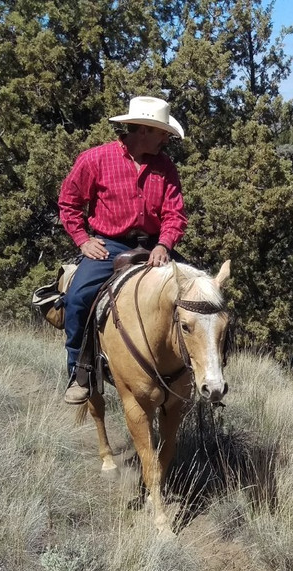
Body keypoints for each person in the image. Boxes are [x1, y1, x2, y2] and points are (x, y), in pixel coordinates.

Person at [57, 95, 188, 404]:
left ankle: (195, 373)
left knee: (198, 295)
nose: (166, 140)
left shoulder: (165, 166)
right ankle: (79, 371)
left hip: (155, 245)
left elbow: (175, 214)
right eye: (162, 133)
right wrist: (83, 240)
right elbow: (69, 203)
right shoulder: (95, 159)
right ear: (142, 130)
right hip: (110, 245)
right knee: (78, 298)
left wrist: (164, 243)